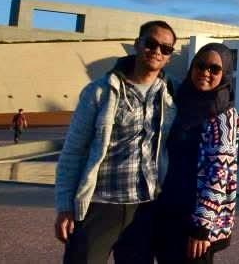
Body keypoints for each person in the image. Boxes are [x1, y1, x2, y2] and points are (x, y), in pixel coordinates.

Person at [54, 20, 178, 264]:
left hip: (144, 208)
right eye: (151, 44)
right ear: (136, 44)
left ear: (169, 57)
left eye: (165, 48)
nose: (157, 51)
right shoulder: (99, 91)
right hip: (100, 205)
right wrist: (64, 206)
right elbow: (73, 151)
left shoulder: (170, 94)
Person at [154, 42, 238, 264]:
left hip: (196, 216)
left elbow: (218, 173)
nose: (205, 72)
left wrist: (202, 225)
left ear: (225, 73)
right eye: (200, 66)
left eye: (214, 69)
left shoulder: (223, 115)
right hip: (168, 206)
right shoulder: (179, 102)